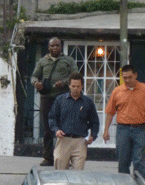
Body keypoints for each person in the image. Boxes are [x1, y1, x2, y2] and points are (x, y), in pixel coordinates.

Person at [103, 64, 145, 180]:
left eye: (129, 77)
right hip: (123, 129)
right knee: (123, 161)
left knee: (140, 161)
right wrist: (106, 130)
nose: (127, 80)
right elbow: (110, 112)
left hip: (141, 129)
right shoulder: (117, 91)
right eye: (125, 78)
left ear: (135, 75)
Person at [31, 37, 79, 166]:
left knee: (65, 127)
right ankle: (48, 158)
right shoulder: (42, 61)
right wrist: (36, 83)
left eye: (57, 45)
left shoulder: (68, 60)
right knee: (47, 128)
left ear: (61, 46)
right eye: (52, 46)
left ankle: (65, 157)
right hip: (46, 97)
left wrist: (64, 82)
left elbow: (75, 75)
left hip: (63, 97)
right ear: (49, 47)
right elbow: (34, 75)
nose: (55, 48)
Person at [48, 72, 100, 170]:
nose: (75, 89)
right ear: (69, 85)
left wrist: (93, 135)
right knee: (60, 171)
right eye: (73, 86)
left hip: (80, 141)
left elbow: (94, 121)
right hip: (64, 139)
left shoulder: (87, 102)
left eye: (78, 86)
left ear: (82, 86)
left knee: (78, 173)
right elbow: (52, 117)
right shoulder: (60, 100)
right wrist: (56, 130)